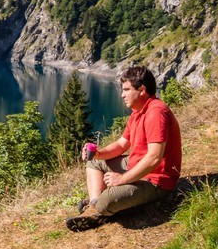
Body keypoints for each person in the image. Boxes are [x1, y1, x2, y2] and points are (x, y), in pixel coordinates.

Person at [66, 66, 181, 232]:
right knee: (94, 163)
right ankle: (94, 207)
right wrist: (98, 154)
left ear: (142, 90)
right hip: (138, 165)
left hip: (157, 180)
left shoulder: (156, 112)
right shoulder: (138, 111)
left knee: (107, 199)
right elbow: (121, 145)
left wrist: (122, 179)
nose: (122, 95)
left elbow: (154, 158)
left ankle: (100, 208)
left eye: (127, 90)